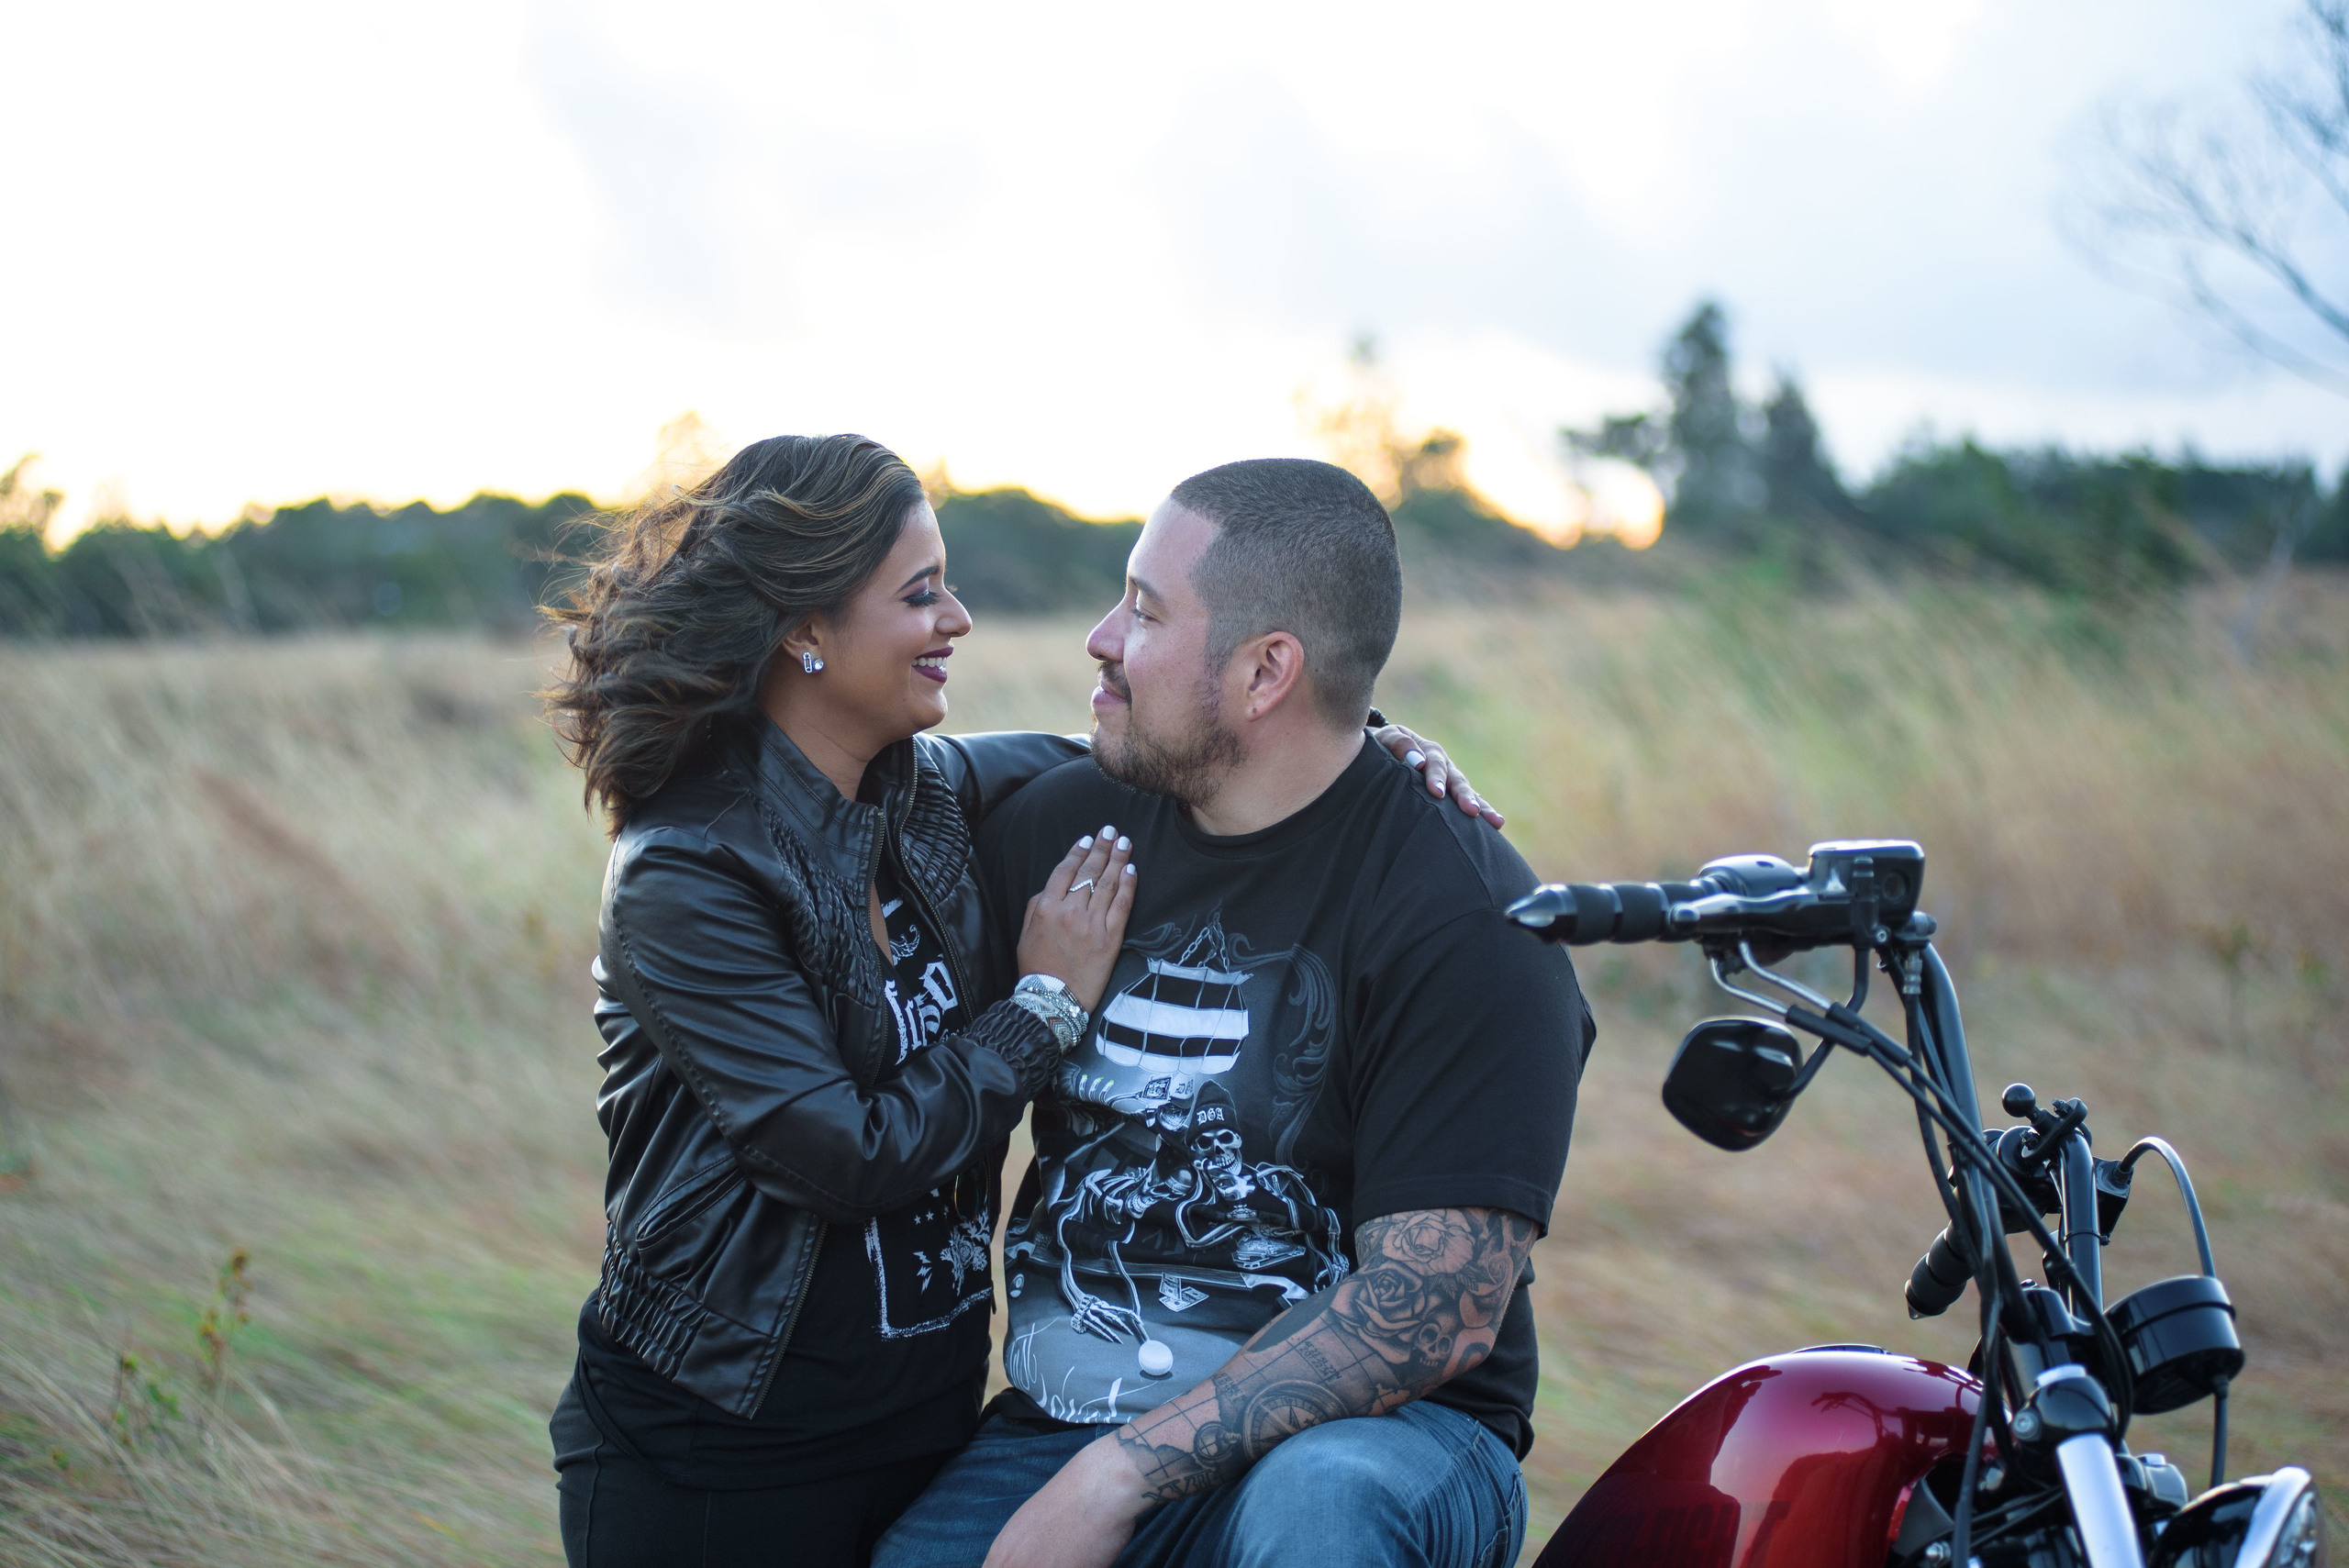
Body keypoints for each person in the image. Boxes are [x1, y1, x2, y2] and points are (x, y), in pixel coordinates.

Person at [538, 435, 1486, 1568]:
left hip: (916, 1426)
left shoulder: (928, 795)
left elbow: (1199, 743)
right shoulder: (688, 871)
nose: (959, 618)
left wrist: (1356, 734)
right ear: (804, 628)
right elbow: (837, 1152)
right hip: (722, 1442)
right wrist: (1039, 1010)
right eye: (919, 592)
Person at [874, 457, 1597, 1568]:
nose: (1100, 637)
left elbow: (1435, 1304)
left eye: (1145, 611)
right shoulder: (1067, 828)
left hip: (1374, 1440)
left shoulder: (1465, 913)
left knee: (1318, 1513)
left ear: (1267, 671)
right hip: (1060, 1426)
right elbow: (837, 798)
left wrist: (1114, 1481)